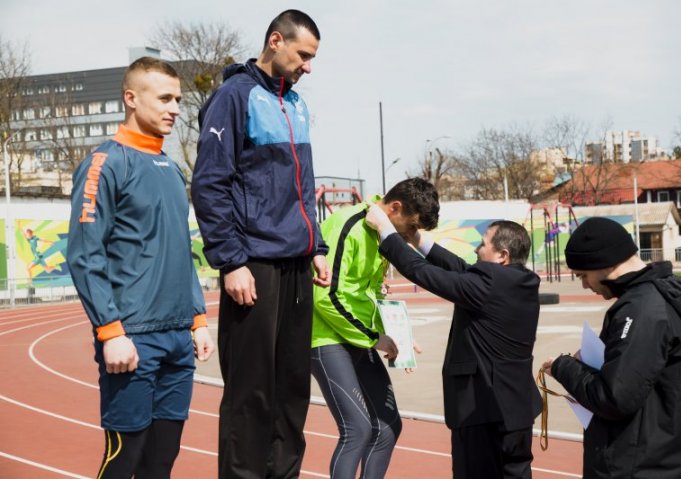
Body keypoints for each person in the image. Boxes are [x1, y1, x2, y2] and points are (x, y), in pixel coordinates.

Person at [190, 10, 330, 478]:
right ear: (275, 41)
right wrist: (231, 261)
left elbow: (304, 185)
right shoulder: (234, 97)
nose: (309, 66)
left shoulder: (298, 105)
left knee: (292, 391)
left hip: (296, 266)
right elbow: (210, 183)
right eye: (303, 54)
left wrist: (317, 246)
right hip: (254, 266)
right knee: (252, 394)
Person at [67, 57, 215, 479]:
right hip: (131, 340)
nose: (175, 108)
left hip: (177, 339)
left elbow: (179, 251)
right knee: (123, 459)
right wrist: (110, 331)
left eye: (178, 100)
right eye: (164, 98)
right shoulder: (104, 163)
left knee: (161, 462)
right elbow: (85, 254)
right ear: (131, 98)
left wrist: (198, 317)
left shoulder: (171, 170)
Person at [365, 212, 543, 479]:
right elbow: (463, 270)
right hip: (518, 409)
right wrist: (418, 241)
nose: (476, 248)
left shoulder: (488, 286)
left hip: (482, 410)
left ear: (502, 256)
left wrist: (385, 229)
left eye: (483, 243)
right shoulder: (521, 282)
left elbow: (421, 272)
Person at [541, 217, 681, 479]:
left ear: (604, 263)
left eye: (583, 275)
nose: (584, 285)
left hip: (638, 466)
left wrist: (563, 367)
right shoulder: (660, 294)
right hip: (660, 460)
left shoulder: (642, 308)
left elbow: (614, 398)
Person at [312, 178, 440, 478]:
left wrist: (399, 334)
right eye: (410, 228)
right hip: (327, 337)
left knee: (387, 427)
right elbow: (326, 296)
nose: (410, 238)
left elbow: (370, 293)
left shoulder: (381, 235)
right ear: (395, 208)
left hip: (359, 337)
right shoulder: (351, 224)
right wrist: (373, 338)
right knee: (356, 429)